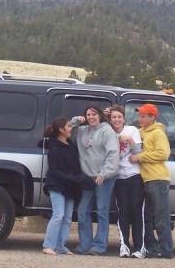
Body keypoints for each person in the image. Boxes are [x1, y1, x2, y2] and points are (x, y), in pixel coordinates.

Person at [71, 105, 119, 255]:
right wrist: (76, 121)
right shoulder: (82, 131)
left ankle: (99, 246)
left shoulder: (107, 131)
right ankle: (85, 245)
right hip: (88, 177)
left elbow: (113, 153)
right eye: (88, 115)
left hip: (103, 178)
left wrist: (104, 174)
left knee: (102, 211)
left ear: (100, 115)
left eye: (94, 114)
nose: (91, 117)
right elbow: (67, 131)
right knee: (82, 210)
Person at [42, 118, 92, 256]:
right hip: (56, 185)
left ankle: (60, 246)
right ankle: (48, 245)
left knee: (67, 218)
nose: (71, 129)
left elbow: (75, 167)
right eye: (69, 126)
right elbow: (55, 171)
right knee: (58, 215)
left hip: (70, 187)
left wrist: (79, 178)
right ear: (61, 130)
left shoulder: (71, 146)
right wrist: (75, 178)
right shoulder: (54, 148)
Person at [129, 103, 173, 259]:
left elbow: (163, 154)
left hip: (158, 179)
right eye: (139, 116)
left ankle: (166, 250)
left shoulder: (158, 133)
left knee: (161, 217)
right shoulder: (141, 132)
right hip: (145, 180)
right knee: (146, 217)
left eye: (143, 116)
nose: (139, 119)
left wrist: (139, 157)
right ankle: (152, 248)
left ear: (152, 117)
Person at [109, 105, 145, 258]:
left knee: (137, 211)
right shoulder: (108, 133)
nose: (116, 119)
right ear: (110, 119)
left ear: (124, 119)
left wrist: (130, 141)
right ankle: (124, 246)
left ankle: (140, 248)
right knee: (123, 212)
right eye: (113, 117)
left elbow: (138, 153)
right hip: (118, 178)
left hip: (134, 176)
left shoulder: (132, 130)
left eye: (119, 117)